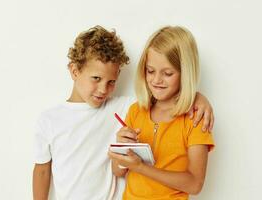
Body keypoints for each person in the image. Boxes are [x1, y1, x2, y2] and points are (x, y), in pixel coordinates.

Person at [32, 25, 214, 200]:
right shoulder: (49, 120)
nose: (103, 89)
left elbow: (167, 100)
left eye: (111, 82)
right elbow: (41, 170)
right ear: (74, 70)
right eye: (96, 78)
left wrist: (197, 97)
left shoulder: (123, 107)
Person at [109, 26, 215, 200]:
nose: (156, 80)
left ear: (185, 74)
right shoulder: (136, 111)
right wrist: (121, 148)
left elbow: (195, 184)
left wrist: (141, 167)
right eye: (150, 71)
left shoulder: (196, 119)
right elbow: (117, 171)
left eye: (167, 73)